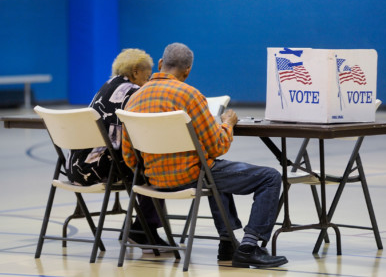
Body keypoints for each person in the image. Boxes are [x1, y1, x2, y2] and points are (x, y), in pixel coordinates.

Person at [121, 43, 288, 268]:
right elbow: (217, 146)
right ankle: (249, 246)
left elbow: (129, 156)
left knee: (215, 170)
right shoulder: (190, 95)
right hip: (191, 177)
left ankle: (228, 244)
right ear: (188, 71)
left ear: (161, 64)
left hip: (153, 181)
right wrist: (227, 124)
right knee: (269, 177)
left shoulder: (133, 99)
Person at [65, 48, 169, 250]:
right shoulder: (133, 92)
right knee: (154, 168)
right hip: (100, 169)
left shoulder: (107, 86)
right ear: (136, 71)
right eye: (147, 76)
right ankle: (142, 229)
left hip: (76, 167)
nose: (147, 81)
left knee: (142, 163)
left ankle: (137, 228)